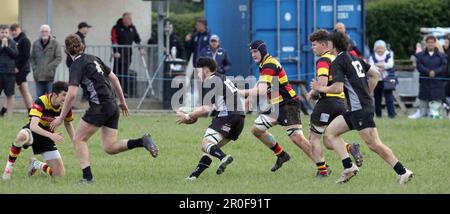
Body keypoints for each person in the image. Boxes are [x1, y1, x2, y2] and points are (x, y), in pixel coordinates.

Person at [50, 34, 158, 184]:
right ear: (82, 45)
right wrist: (122, 101)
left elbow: (72, 94)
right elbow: (113, 78)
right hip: (112, 104)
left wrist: (61, 117)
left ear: (67, 51)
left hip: (99, 106)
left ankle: (88, 178)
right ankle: (142, 141)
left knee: (78, 139)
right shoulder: (94, 58)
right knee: (110, 147)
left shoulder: (76, 64)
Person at [311, 31, 413, 184]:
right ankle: (349, 167)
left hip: (360, 110)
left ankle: (403, 172)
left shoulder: (338, 62)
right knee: (330, 133)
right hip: (355, 109)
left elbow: (338, 88)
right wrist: (367, 92)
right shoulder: (354, 57)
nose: (327, 44)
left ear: (333, 45)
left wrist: (320, 88)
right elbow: (375, 74)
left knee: (374, 144)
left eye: (329, 42)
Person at [238, 40, 314, 172]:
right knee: (257, 129)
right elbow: (262, 83)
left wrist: (240, 92)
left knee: (297, 138)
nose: (253, 55)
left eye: (255, 51)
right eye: (251, 52)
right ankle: (282, 155)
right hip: (276, 106)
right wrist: (249, 97)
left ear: (262, 51)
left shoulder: (269, 64)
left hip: (288, 103)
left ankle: (323, 166)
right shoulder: (264, 63)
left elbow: (261, 91)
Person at [176, 57, 245, 180]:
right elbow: (206, 110)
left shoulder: (210, 81)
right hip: (240, 119)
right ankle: (193, 177)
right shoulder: (222, 78)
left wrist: (187, 115)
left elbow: (206, 109)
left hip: (227, 115)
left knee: (206, 144)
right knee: (210, 148)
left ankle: (223, 157)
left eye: (198, 71)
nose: (197, 75)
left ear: (205, 70)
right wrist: (194, 114)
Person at [306, 29, 362, 177]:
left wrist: (314, 92)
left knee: (313, 138)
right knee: (329, 138)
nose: (312, 48)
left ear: (324, 45)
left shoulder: (323, 60)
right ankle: (350, 148)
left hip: (327, 103)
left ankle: (322, 171)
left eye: (314, 45)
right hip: (341, 102)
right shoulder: (336, 58)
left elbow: (323, 82)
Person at [2, 81, 74, 180]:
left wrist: (76, 141)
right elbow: (33, 126)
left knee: (59, 175)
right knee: (22, 136)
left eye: (68, 95)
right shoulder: (41, 101)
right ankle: (7, 171)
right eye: (64, 95)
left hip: (46, 138)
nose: (66, 98)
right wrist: (51, 135)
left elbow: (68, 123)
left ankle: (36, 164)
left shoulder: (66, 106)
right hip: (33, 133)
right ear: (54, 94)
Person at [409, 35, 447, 119]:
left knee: (436, 101)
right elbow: (419, 66)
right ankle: (421, 113)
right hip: (425, 82)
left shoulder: (441, 56)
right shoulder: (420, 55)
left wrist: (435, 72)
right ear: (426, 43)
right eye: (428, 42)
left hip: (437, 82)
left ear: (435, 43)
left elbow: (444, 67)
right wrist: (428, 72)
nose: (430, 44)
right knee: (423, 100)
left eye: (432, 42)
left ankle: (436, 114)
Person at [111, 12, 144, 97]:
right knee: (117, 74)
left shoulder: (132, 28)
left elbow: (137, 39)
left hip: (128, 55)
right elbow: (114, 40)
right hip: (118, 55)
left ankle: (124, 92)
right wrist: (115, 51)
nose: (130, 20)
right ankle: (116, 92)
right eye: (128, 19)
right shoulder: (116, 28)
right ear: (124, 19)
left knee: (125, 73)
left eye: (131, 19)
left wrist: (141, 48)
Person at [30, 24, 62, 97]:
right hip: (38, 76)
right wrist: (35, 68)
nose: (44, 33)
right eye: (42, 31)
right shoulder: (36, 43)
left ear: (50, 33)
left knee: (50, 97)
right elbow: (32, 58)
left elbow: (58, 58)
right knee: (39, 98)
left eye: (46, 31)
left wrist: (49, 67)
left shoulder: (55, 43)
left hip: (49, 76)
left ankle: (49, 109)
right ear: (40, 33)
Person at [368, 40, 397, 118]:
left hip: (388, 78)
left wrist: (380, 65)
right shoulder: (372, 56)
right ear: (375, 49)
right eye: (378, 48)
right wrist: (382, 66)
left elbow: (390, 64)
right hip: (377, 79)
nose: (380, 50)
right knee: (377, 98)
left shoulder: (389, 54)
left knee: (389, 97)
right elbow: (371, 66)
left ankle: (391, 115)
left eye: (381, 48)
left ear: (384, 48)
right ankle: (378, 115)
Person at [0, 24, 18, 117]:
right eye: (2, 32)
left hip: (10, 73)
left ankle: (9, 115)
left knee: (10, 95)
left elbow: (15, 55)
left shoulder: (13, 43)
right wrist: (2, 47)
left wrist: (6, 47)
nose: (4, 34)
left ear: (8, 33)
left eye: (6, 32)